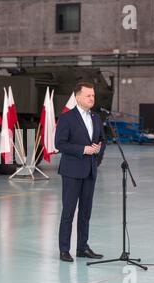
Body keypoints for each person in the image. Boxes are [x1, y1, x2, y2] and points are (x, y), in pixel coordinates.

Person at [55, 82, 106, 263]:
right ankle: (64, 250)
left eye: (93, 96)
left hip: (90, 170)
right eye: (88, 96)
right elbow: (59, 144)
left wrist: (97, 154)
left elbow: (102, 140)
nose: (92, 98)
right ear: (78, 97)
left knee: (86, 212)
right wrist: (83, 150)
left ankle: (83, 247)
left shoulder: (96, 117)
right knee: (68, 212)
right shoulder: (67, 118)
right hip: (72, 171)